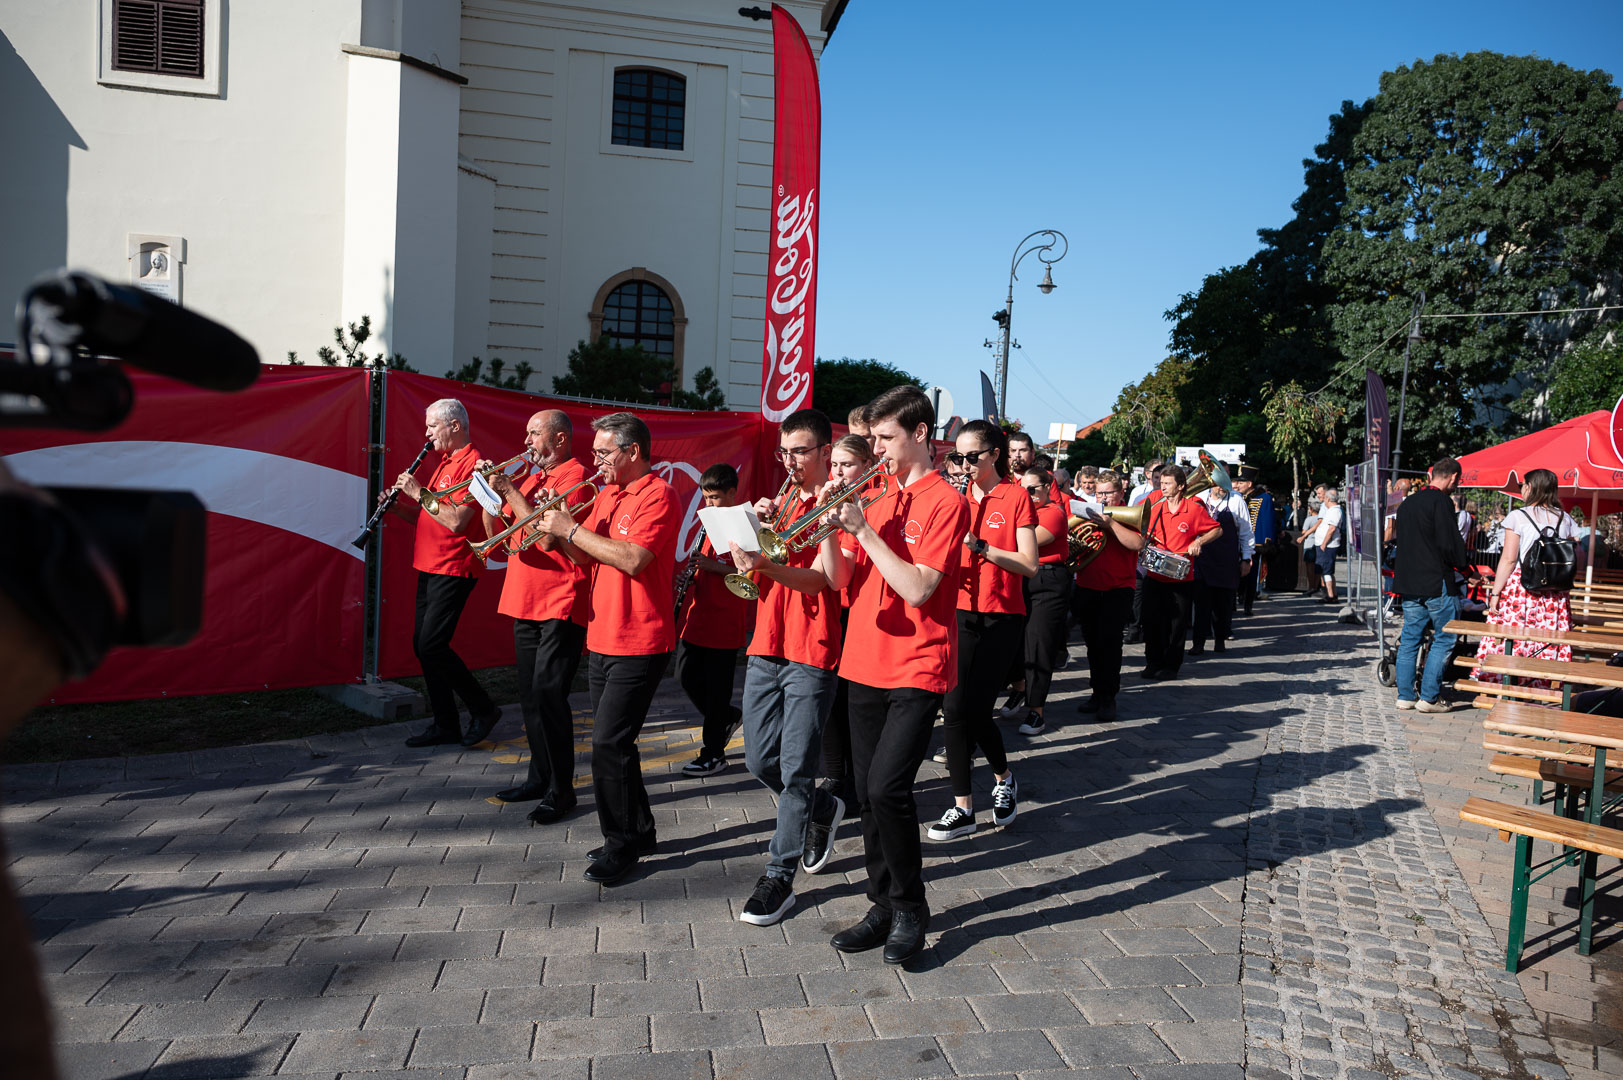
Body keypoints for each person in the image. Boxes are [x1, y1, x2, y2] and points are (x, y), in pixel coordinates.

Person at [827, 385, 969, 965]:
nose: (877, 448)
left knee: (889, 788)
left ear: (920, 434)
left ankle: (911, 906)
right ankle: (881, 903)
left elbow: (918, 589)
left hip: (917, 662)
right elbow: (840, 580)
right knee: (866, 793)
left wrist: (863, 530)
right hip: (862, 659)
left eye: (885, 438)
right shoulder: (875, 494)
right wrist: (827, 529)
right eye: (874, 438)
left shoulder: (946, 501)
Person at [537, 412, 681, 885]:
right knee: (618, 744)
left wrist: (571, 529)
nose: (595, 460)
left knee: (607, 745)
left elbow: (634, 559)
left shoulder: (658, 494)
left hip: (640, 638)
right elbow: (585, 555)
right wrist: (556, 530)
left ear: (632, 451)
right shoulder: (607, 493)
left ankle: (620, 845)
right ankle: (639, 830)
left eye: (603, 452)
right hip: (603, 635)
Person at [726, 409, 852, 925]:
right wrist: (752, 533)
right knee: (760, 761)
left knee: (797, 767)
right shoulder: (780, 503)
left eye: (799, 451)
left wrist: (768, 564)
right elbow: (760, 574)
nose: (790, 461)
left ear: (825, 452)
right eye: (785, 452)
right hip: (766, 642)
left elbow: (822, 581)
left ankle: (779, 875)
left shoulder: (840, 503)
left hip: (812, 648)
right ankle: (821, 809)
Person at [927, 421, 1035, 842]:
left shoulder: (1016, 496)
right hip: (958, 611)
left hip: (1001, 615)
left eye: (972, 456)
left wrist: (982, 548)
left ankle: (1004, 778)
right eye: (958, 457)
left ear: (994, 455)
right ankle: (963, 807)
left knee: (977, 710)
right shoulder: (953, 498)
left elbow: (1029, 564)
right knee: (953, 709)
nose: (964, 464)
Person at [478, 410, 590, 820]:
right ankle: (539, 777)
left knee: (549, 695)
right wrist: (488, 494)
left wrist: (509, 490)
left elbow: (544, 540)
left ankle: (562, 790)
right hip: (524, 599)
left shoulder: (576, 476)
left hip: (560, 600)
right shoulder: (529, 478)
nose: (526, 441)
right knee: (529, 697)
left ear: (559, 439)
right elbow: (497, 537)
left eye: (533, 433)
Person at [385, 398, 503, 748]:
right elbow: (430, 516)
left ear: (455, 426)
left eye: (432, 426)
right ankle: (445, 723)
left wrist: (418, 492)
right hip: (429, 564)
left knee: (432, 644)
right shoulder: (445, 462)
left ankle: (483, 709)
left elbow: (456, 522)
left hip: (454, 566)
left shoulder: (473, 464)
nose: (427, 434)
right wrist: (399, 508)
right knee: (423, 646)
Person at [810, 433, 877, 869]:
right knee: (834, 701)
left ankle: (854, 781)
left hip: (860, 611)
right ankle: (837, 780)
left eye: (847, 464)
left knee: (853, 701)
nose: (837, 472)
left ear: (867, 466)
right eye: (834, 464)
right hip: (835, 608)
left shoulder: (869, 503)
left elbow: (847, 572)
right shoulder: (833, 499)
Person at [674, 464, 751, 778]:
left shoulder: (743, 525)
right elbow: (703, 563)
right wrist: (692, 576)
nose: (709, 503)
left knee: (718, 690)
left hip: (725, 621)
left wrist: (711, 566)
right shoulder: (708, 523)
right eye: (706, 498)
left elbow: (749, 574)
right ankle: (726, 718)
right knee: (685, 676)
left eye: (715, 497)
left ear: (732, 493)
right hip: (699, 616)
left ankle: (713, 754)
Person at [1471, 468, 1578, 684]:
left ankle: (1506, 681)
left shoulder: (1518, 516)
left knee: (1511, 635)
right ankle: (1540, 682)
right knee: (1546, 639)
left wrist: (1495, 593)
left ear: (1530, 487)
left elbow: (1509, 559)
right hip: (1554, 592)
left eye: (1522, 485)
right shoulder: (1565, 518)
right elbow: (1576, 552)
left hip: (1522, 588)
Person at [1392, 456, 1478, 713]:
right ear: (1453, 477)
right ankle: (1429, 698)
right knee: (1444, 637)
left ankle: (1405, 696)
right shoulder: (1442, 502)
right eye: (1457, 480)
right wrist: (1467, 570)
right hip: (1436, 581)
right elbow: (1449, 544)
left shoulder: (1407, 503)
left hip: (1409, 582)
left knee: (1410, 639)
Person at [1072, 470, 1144, 720]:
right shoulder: (1087, 513)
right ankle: (1096, 692)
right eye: (1098, 493)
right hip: (1088, 585)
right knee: (1092, 644)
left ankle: (1108, 697)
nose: (1102, 498)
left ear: (1121, 493)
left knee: (1110, 645)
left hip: (1118, 588)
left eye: (1108, 493)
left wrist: (1111, 524)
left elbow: (1137, 544)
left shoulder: (1129, 515)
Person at [1140, 465, 1221, 680]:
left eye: (1168, 483)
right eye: (1162, 483)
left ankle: (1171, 666)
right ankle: (1153, 662)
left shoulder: (1193, 509)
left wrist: (1199, 541)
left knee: (1177, 625)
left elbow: (1217, 529)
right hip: (1154, 575)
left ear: (1181, 486)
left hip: (1181, 578)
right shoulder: (1156, 506)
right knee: (1152, 622)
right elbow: (1140, 526)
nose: (1163, 487)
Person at [1016, 466, 1072, 736]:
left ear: (1047, 488)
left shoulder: (1054, 512)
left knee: (1039, 645)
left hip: (1047, 581)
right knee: (1016, 641)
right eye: (1023, 490)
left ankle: (1036, 710)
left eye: (1032, 489)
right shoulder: (1022, 511)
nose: (1027, 494)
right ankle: (1019, 690)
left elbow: (1026, 543)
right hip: (1023, 578)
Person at [1190, 478, 1254, 654]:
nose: (1222, 488)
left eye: (1225, 484)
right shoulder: (1199, 498)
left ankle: (1220, 640)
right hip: (1203, 559)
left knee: (1223, 605)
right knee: (1201, 604)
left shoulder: (1236, 501)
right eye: (1218, 484)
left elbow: (1246, 532)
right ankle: (1198, 643)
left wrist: (1246, 558)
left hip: (1226, 560)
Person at [1235, 466, 1274, 614]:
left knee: (1251, 576)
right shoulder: (1238, 498)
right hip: (1237, 542)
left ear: (1249, 484)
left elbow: (1267, 520)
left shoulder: (1264, 498)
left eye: (1241, 483)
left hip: (1254, 543)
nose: (1238, 485)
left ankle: (1248, 604)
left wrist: (1265, 541)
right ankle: (1237, 599)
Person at [1312, 486, 1343, 604]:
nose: (1324, 500)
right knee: (1327, 570)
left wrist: (1324, 543)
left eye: (1325, 498)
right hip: (1326, 544)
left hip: (1328, 545)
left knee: (1326, 571)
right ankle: (1332, 594)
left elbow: (1332, 529)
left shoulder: (1334, 511)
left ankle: (1330, 595)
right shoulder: (1331, 510)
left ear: (1329, 499)